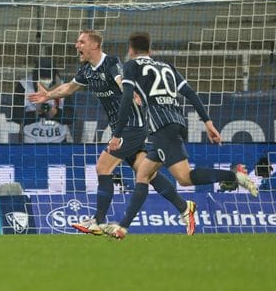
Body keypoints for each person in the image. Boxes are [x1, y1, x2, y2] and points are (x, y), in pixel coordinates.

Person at [29, 29, 195, 235]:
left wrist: (131, 92)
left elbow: (120, 79)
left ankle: (98, 221)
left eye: (81, 42)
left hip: (133, 125)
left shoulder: (112, 63)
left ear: (94, 45)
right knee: (147, 173)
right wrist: (48, 96)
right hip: (123, 126)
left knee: (103, 167)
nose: (77, 45)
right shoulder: (87, 70)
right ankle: (184, 207)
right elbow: (69, 88)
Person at [102, 31, 259, 240]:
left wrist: (117, 134)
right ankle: (124, 227)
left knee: (185, 178)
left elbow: (127, 97)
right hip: (177, 122)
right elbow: (190, 94)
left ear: (131, 50)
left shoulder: (131, 66)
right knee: (143, 174)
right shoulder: (167, 67)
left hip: (162, 128)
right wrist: (207, 121)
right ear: (151, 50)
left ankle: (234, 176)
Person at [13, 57, 74, 143]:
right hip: (31, 140)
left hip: (58, 140)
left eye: (48, 76)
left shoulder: (63, 86)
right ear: (36, 74)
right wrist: (35, 113)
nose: (45, 79)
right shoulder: (23, 85)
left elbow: (70, 117)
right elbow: (16, 116)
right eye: (42, 76)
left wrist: (55, 112)